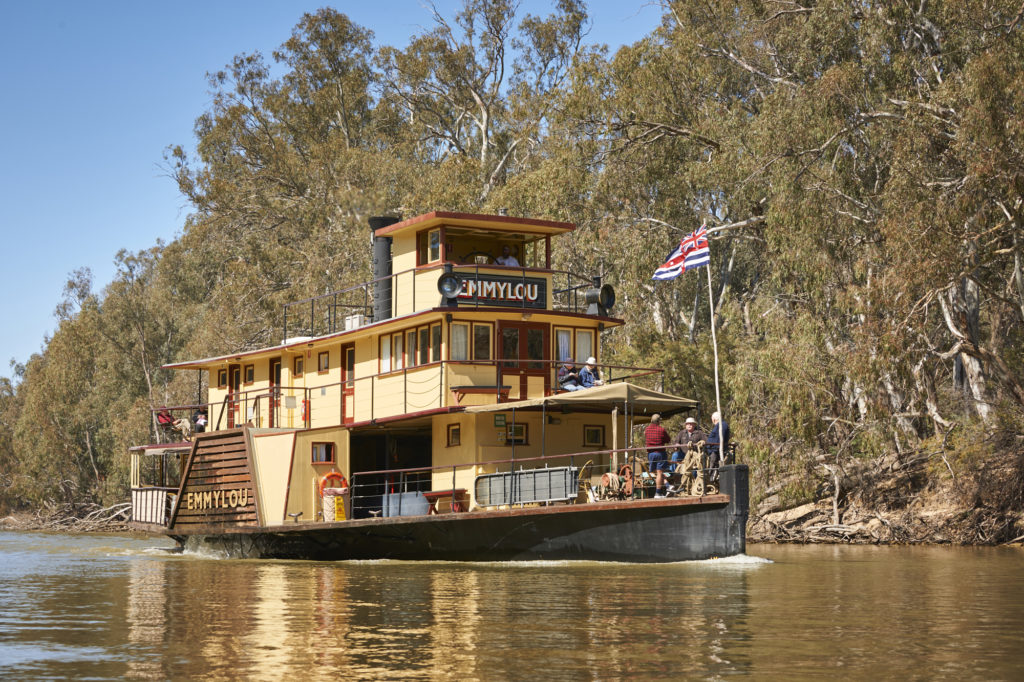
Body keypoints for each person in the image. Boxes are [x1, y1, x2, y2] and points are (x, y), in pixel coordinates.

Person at [644, 413, 672, 498]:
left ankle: (667, 485)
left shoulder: (647, 430)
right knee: (659, 472)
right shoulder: (661, 430)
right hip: (660, 453)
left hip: (651, 454)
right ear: (659, 421)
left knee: (654, 472)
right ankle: (658, 493)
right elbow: (668, 440)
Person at [705, 411, 731, 477]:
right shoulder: (719, 425)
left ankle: (710, 480)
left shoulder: (722, 425)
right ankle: (710, 478)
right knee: (711, 467)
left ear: (713, 419)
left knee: (712, 468)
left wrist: (715, 448)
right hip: (713, 451)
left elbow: (720, 438)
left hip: (716, 451)